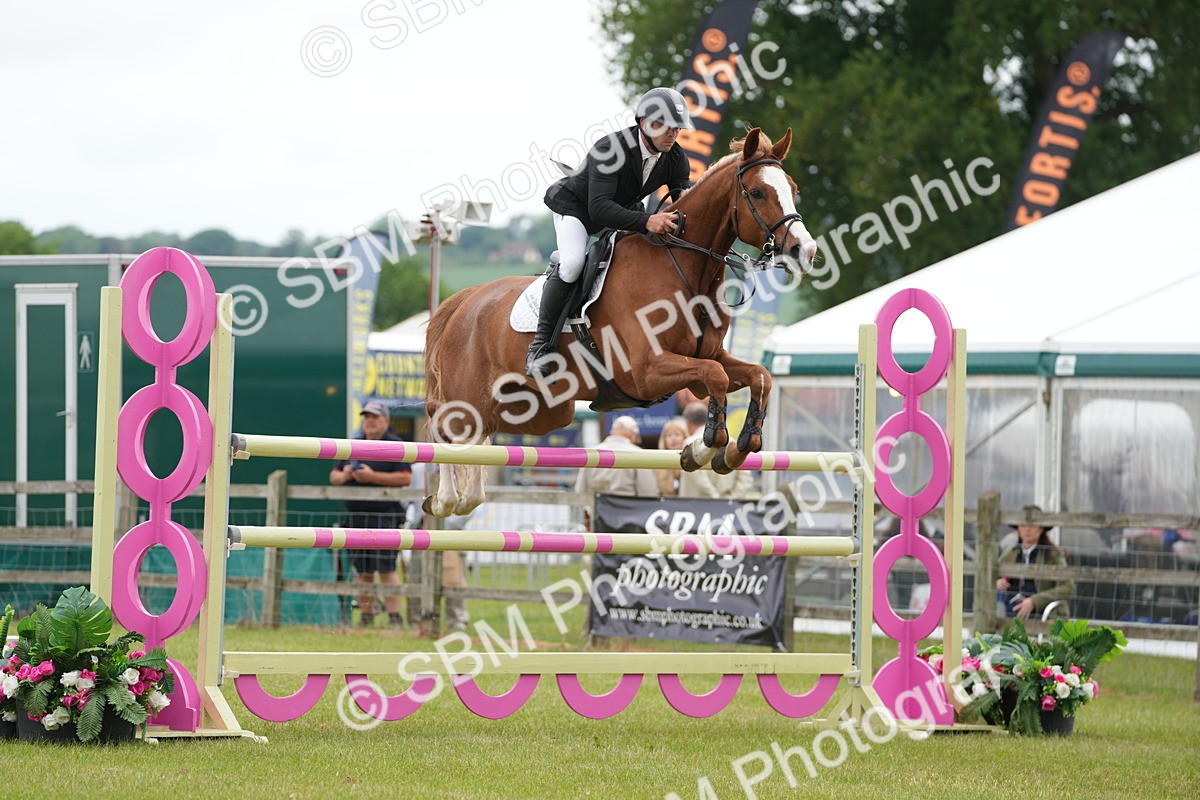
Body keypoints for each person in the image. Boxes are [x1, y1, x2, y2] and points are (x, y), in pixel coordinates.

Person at [526, 87, 695, 378]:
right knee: (572, 264)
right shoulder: (610, 149)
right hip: (577, 210)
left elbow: (684, 201)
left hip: (624, 210)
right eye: (666, 126)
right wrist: (646, 221)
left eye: (677, 128)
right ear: (644, 123)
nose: (673, 134)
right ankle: (541, 347)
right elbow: (599, 210)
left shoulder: (675, 158)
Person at [329, 401, 413, 627]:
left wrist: (372, 477)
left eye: (375, 418)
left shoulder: (396, 445)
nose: (370, 422)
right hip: (356, 516)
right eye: (367, 418)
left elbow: (405, 478)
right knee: (362, 570)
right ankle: (366, 617)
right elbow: (334, 477)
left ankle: (395, 618)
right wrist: (347, 474)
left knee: (386, 569)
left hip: (385, 516)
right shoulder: (352, 444)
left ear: (386, 421)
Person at [576, 416, 659, 528]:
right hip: (629, 519)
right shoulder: (639, 455)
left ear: (612, 431)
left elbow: (580, 491)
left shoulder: (592, 453)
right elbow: (648, 493)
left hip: (597, 517)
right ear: (632, 434)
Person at [995, 505, 1074, 620]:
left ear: (1041, 528)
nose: (1027, 529)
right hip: (1010, 613)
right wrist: (997, 582)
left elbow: (1068, 587)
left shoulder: (1053, 555)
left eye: (1032, 525)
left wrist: (1035, 601)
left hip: (1041, 615)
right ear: (1018, 528)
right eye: (1023, 525)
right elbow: (990, 577)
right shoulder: (1009, 553)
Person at [677, 401, 758, 499]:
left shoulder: (688, 443)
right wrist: (730, 500)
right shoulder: (732, 443)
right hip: (727, 507)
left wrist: (715, 498)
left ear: (688, 424)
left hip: (697, 506)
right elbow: (746, 478)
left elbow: (698, 479)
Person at [654, 416, 690, 497]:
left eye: (677, 434)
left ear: (685, 436)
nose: (673, 439)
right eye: (669, 435)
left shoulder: (692, 460)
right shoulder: (657, 462)